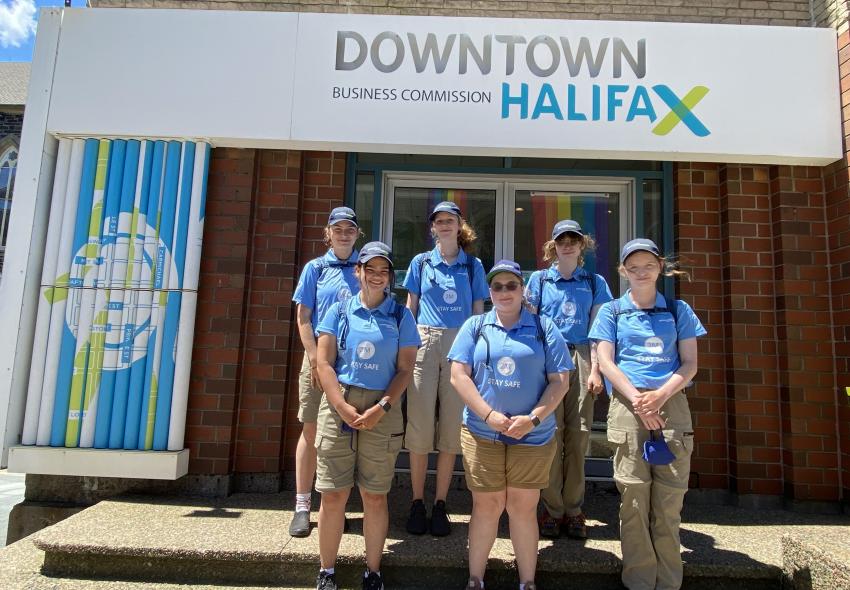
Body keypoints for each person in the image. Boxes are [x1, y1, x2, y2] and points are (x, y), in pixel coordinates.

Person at [588, 238, 707, 590]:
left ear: (660, 268)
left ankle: (668, 582)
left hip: (671, 405)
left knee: (669, 502)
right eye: (633, 267)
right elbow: (606, 362)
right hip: (628, 406)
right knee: (634, 500)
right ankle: (639, 580)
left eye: (648, 266)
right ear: (623, 271)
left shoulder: (678, 310)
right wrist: (639, 401)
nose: (641, 272)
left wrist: (659, 396)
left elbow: (689, 364)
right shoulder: (611, 311)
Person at [448, 260, 572, 590]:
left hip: (533, 436)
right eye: (497, 287)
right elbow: (458, 376)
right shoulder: (475, 326)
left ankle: (527, 582)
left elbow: (560, 382)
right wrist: (489, 415)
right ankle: (475, 580)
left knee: (522, 507)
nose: (504, 292)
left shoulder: (544, 327)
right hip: (481, 432)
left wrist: (533, 418)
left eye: (511, 286)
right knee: (486, 505)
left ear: (522, 289)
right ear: (490, 291)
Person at [314, 241, 421, 590]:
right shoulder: (339, 311)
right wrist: (341, 406)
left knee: (375, 495)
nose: (377, 276)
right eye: (370, 269)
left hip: (383, 407)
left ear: (390, 276)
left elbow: (406, 369)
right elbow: (324, 363)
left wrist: (382, 407)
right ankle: (326, 572)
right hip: (339, 402)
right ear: (357, 272)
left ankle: (372, 572)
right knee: (333, 494)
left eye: (383, 270)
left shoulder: (400, 315)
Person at [403, 201, 488, 536]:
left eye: (450, 220)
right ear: (433, 227)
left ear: (459, 225)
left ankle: (440, 503)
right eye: (439, 221)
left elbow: (479, 311)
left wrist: (477, 354)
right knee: (420, 426)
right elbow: (411, 307)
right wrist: (406, 348)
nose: (445, 226)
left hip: (460, 345)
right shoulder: (421, 263)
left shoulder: (472, 265)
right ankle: (417, 501)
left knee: (452, 428)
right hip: (425, 341)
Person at [525, 219, 613, 539]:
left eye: (573, 239)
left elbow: (600, 332)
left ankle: (574, 509)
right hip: (549, 359)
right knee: (550, 434)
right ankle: (552, 508)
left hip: (582, 357)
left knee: (579, 436)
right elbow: (530, 324)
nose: (567, 245)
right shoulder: (539, 280)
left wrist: (598, 370)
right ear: (553, 246)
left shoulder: (594, 282)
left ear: (582, 245)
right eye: (561, 239)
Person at [289, 206, 361, 538]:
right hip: (318, 357)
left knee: (341, 435)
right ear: (328, 232)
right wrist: (315, 360)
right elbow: (304, 318)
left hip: (352, 362)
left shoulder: (365, 268)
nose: (344, 234)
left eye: (350, 229)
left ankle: (334, 506)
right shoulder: (315, 269)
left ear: (357, 234)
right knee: (311, 430)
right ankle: (303, 505)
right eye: (338, 228)